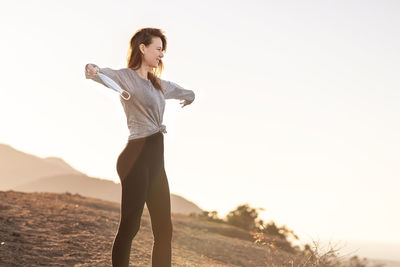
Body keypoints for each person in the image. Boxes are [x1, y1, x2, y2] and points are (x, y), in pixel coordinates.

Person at [84, 27, 195, 267]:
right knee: (130, 226)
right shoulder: (125, 77)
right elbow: (96, 72)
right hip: (135, 157)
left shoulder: (158, 85)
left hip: (156, 161)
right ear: (142, 48)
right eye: (157, 49)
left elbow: (183, 91)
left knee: (164, 229)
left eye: (163, 51)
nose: (161, 55)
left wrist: (191, 95)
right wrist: (93, 69)